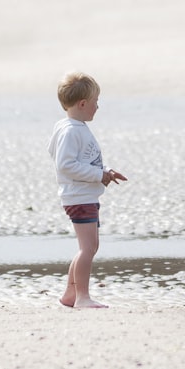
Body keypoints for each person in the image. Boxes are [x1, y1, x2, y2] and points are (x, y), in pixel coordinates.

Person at [48, 72, 128, 308]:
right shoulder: (71, 130)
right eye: (95, 102)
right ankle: (82, 297)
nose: (98, 107)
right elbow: (65, 164)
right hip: (79, 196)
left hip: (83, 195)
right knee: (88, 248)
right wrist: (98, 175)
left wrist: (107, 171)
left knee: (88, 247)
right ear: (83, 104)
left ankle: (70, 294)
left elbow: (85, 159)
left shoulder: (72, 126)